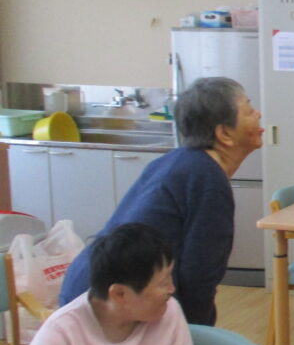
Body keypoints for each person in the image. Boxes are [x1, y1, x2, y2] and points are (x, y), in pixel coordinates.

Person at [59, 77, 263, 325]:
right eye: (249, 110)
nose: (259, 115)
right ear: (225, 134)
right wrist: (195, 337)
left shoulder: (180, 161)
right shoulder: (207, 179)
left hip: (87, 290)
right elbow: (198, 277)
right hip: (109, 304)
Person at [19, 223, 199, 345]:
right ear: (120, 294)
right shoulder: (61, 331)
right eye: (163, 283)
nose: (172, 289)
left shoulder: (169, 312)